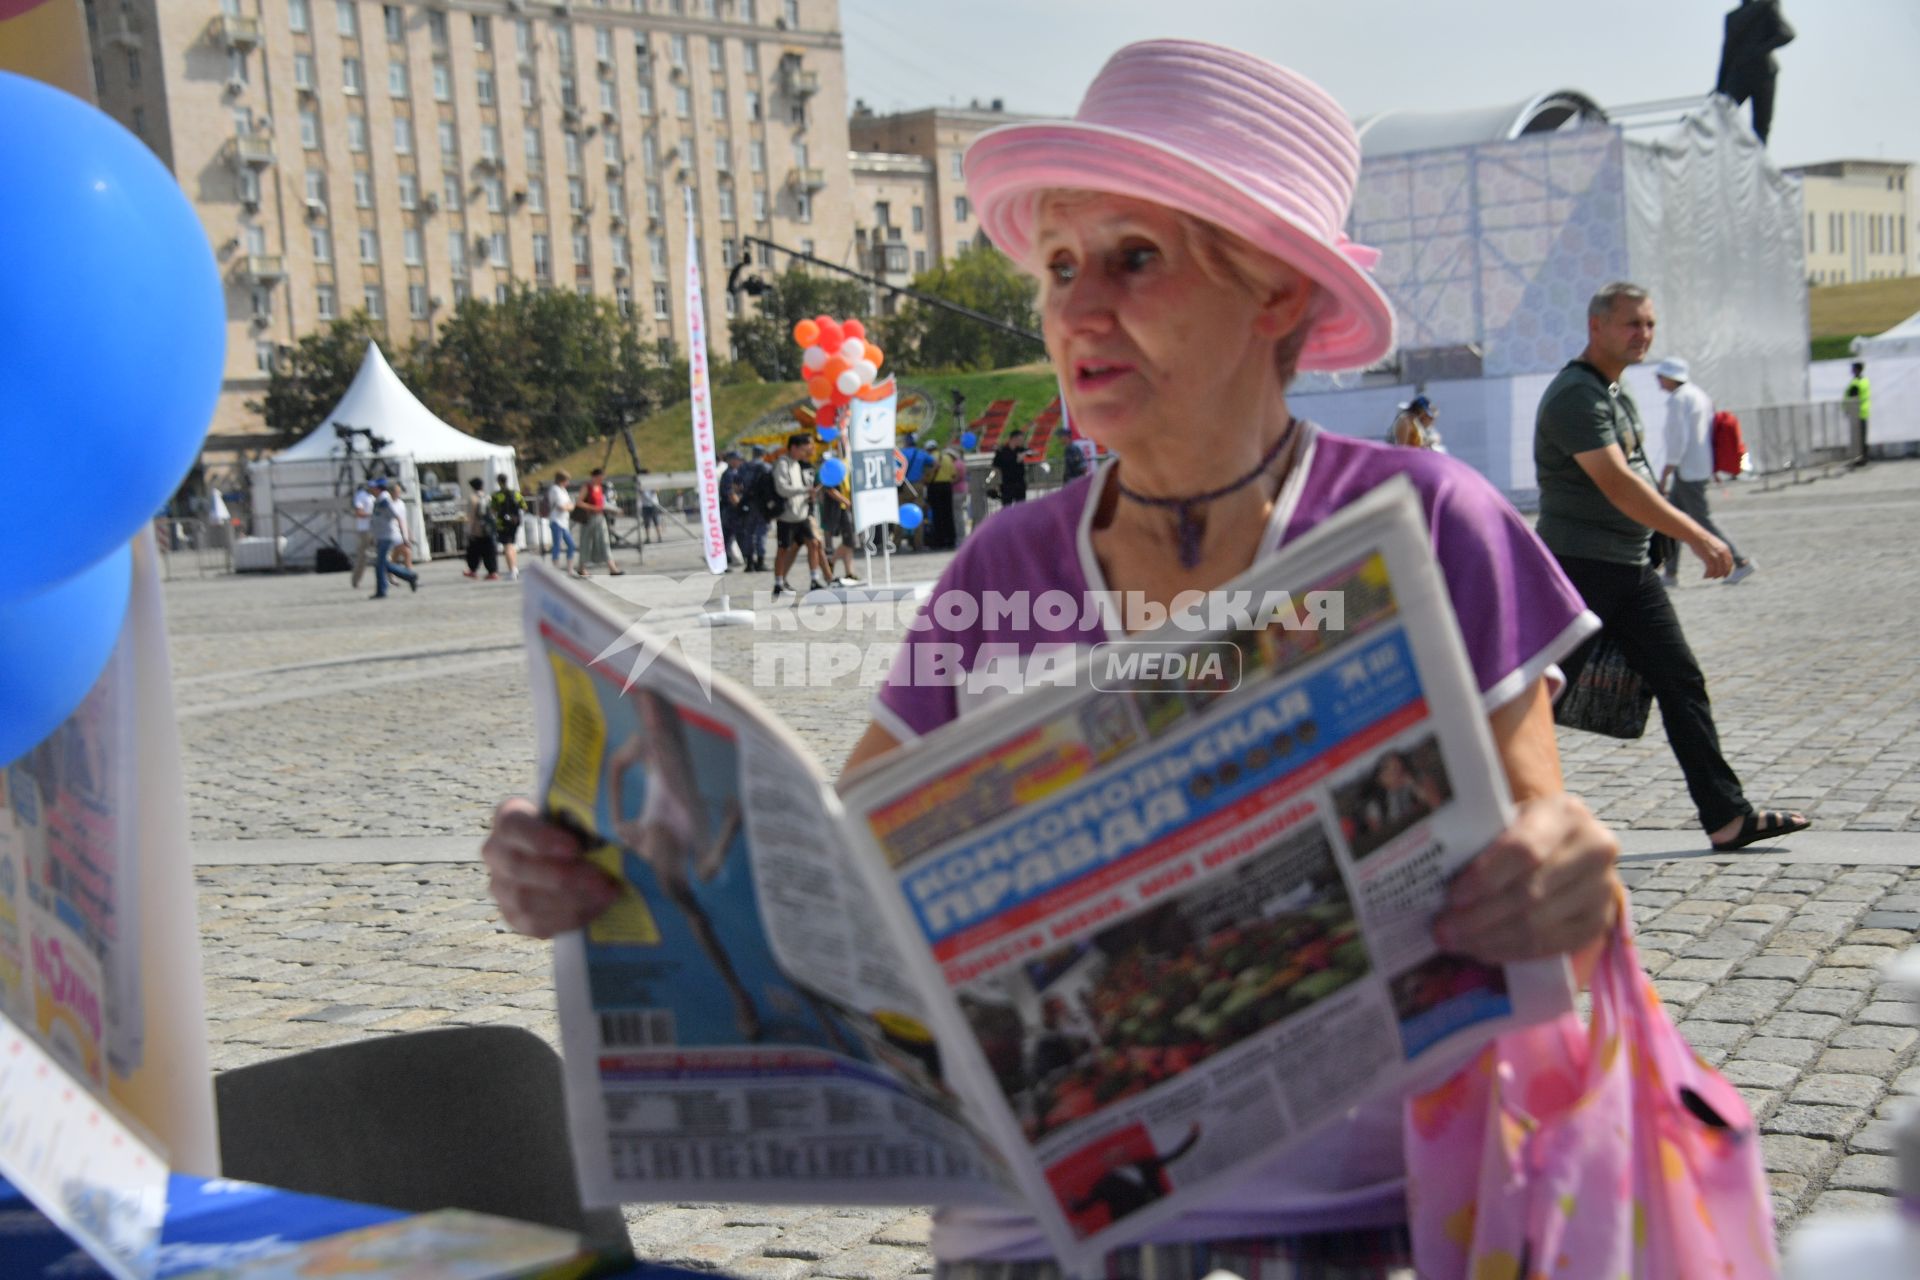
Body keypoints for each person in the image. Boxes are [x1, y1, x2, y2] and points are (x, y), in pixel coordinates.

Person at [484, 41, 1626, 1278]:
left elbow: (1548, 859)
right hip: (1030, 1242)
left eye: (1136, 259)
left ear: (1276, 293)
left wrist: (1573, 880)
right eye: (1062, 266)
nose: (1078, 310)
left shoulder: (1431, 524)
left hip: (1350, 1226)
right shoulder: (1005, 564)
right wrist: (607, 879)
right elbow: (835, 868)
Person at [1536, 282, 1807, 851]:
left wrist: (1659, 539)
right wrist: (1698, 536)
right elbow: (1616, 485)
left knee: (1680, 679)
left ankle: (1726, 816)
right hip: (1579, 570)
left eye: (1650, 324)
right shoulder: (1574, 397)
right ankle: (1489, 815)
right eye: (1632, 324)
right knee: (1532, 694)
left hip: (1628, 571)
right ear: (1597, 327)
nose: (1644, 335)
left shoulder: (1616, 391)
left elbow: (1635, 474)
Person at [1654, 358, 1753, 587]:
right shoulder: (1698, 394)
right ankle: (1670, 573)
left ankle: (1741, 561)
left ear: (1670, 377)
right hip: (1698, 467)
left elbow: (1678, 439)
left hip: (1686, 469)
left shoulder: (1678, 400)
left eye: (1660, 376)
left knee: (1700, 521)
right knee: (1674, 521)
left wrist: (1666, 470)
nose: (1658, 381)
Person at [770, 434, 828, 599]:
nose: (805, 452)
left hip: (802, 514)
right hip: (787, 516)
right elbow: (782, 489)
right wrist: (804, 490)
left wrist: (808, 494)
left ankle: (815, 579)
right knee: (783, 549)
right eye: (803, 449)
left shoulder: (797, 464)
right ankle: (778, 583)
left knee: (814, 544)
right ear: (793, 447)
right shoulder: (782, 464)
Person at [368, 478, 418, 599]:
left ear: (378, 489)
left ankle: (382, 590)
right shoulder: (379, 500)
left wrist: (405, 536)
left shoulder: (385, 501)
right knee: (382, 564)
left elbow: (398, 517)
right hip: (381, 536)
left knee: (380, 565)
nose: (370, 489)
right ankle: (409, 576)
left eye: (373, 487)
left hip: (387, 536)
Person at [574, 468, 624, 577]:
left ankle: (612, 568)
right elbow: (579, 502)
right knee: (586, 542)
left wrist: (615, 510)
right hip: (588, 518)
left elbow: (603, 504)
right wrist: (592, 507)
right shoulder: (587, 487)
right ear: (595, 477)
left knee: (604, 541)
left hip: (600, 517)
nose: (602, 480)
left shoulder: (600, 488)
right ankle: (581, 567)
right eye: (600, 478)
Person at [739, 446, 772, 572]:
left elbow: (737, 486)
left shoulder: (743, 467)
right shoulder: (766, 467)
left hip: (748, 503)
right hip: (762, 505)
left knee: (748, 533)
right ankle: (760, 561)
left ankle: (749, 563)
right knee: (761, 533)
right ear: (763, 454)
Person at [461, 476, 499, 580]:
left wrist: (469, 529)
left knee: (473, 551)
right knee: (489, 551)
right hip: (489, 528)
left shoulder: (472, 498)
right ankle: (493, 571)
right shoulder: (487, 497)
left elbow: (471, 516)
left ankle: (472, 570)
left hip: (477, 529)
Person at [491, 473, 526, 580]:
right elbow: (524, 506)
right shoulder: (516, 493)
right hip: (515, 521)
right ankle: (514, 568)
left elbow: (493, 510)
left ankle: (512, 570)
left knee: (507, 546)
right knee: (512, 545)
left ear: (498, 482)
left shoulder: (496, 495)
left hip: (502, 523)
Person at [925, 439, 958, 550]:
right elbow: (954, 474)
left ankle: (939, 540)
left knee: (937, 515)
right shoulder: (947, 458)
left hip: (935, 487)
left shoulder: (930, 458)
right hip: (947, 487)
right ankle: (950, 539)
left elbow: (927, 474)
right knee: (948, 514)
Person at [718, 451, 747, 569]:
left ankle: (729, 560)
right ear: (731, 460)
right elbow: (730, 494)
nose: (739, 462)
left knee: (731, 536)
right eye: (737, 459)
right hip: (730, 510)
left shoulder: (735, 472)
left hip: (731, 509)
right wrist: (741, 507)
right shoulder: (729, 474)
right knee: (730, 536)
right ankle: (725, 561)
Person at [545, 470, 578, 571]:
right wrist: (569, 506)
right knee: (557, 545)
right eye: (566, 480)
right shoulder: (555, 489)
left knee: (571, 544)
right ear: (561, 480)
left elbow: (570, 505)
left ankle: (570, 568)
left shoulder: (563, 490)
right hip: (556, 521)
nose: (568, 483)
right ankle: (556, 567)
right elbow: (562, 506)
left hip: (564, 521)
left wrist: (569, 506)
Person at [348, 478, 377, 590]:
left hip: (374, 528)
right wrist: (372, 515)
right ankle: (356, 581)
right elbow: (359, 512)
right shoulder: (361, 495)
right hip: (364, 530)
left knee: (384, 554)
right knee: (362, 556)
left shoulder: (372, 497)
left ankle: (390, 578)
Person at [991, 428, 1028, 506]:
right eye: (1020, 439)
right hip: (1007, 484)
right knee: (1007, 507)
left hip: (1020, 484)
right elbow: (996, 468)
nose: (1022, 442)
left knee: (1021, 507)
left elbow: (1032, 452)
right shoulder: (1002, 451)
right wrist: (995, 484)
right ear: (1014, 439)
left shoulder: (1021, 450)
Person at [1844, 359, 1870, 466]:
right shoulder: (1864, 381)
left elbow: (1852, 397)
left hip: (1857, 413)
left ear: (1857, 370)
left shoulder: (1856, 383)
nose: (1851, 371)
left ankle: (1860, 458)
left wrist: (1847, 409)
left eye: (1853, 369)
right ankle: (1862, 457)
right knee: (1862, 437)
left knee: (1858, 438)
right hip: (1862, 412)